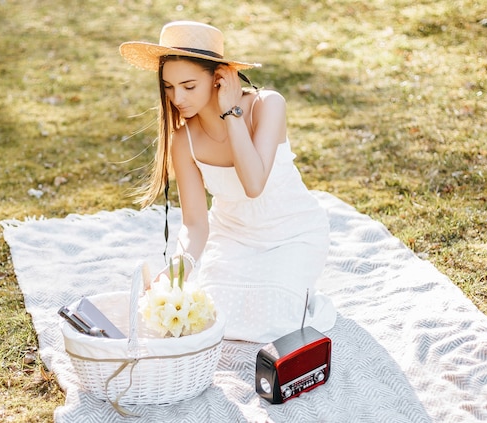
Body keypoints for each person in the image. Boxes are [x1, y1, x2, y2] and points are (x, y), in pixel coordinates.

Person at [120, 21, 336, 343]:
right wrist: (179, 270)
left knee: (276, 323)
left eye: (189, 86)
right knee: (210, 319)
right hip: (233, 238)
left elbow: (253, 184)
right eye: (168, 86)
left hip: (293, 235)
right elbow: (195, 224)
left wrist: (231, 112)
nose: (177, 97)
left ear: (219, 77)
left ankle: (299, 293)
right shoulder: (184, 140)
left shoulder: (267, 106)